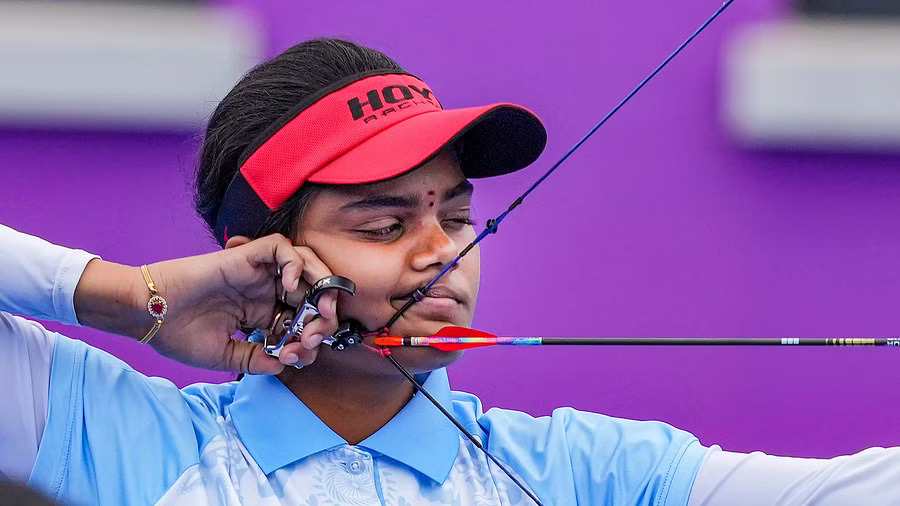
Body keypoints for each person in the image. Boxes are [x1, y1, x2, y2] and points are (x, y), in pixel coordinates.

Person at [2, 38, 899, 506]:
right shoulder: (99, 431)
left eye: (457, 214)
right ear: (264, 258)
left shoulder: (587, 473)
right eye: (386, 222)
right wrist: (127, 298)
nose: (444, 253)